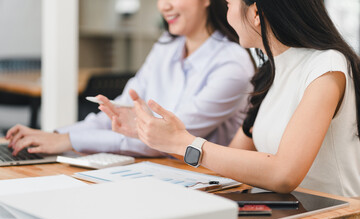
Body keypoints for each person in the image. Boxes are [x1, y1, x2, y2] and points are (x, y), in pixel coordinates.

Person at [102, 0, 360, 197]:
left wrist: (185, 143)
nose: (227, 15)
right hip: (289, 213)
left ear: (256, 13)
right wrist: (158, 136)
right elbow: (232, 157)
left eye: (228, 4)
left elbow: (284, 174)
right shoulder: (271, 72)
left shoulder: (326, 67)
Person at [6, 0, 254, 157]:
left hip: (202, 183)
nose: (163, 6)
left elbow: (163, 139)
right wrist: (52, 136)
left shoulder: (232, 64)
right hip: (150, 172)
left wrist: (67, 140)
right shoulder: (165, 47)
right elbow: (118, 113)